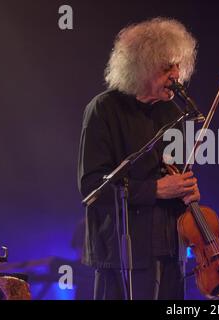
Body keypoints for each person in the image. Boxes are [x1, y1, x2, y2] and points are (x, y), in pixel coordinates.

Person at [77, 17, 200, 300]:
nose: (176, 75)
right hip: (122, 255)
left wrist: (187, 189)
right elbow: (92, 188)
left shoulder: (174, 114)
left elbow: (176, 175)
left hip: (171, 251)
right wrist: (156, 189)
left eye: (179, 65)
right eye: (166, 66)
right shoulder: (103, 109)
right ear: (141, 68)